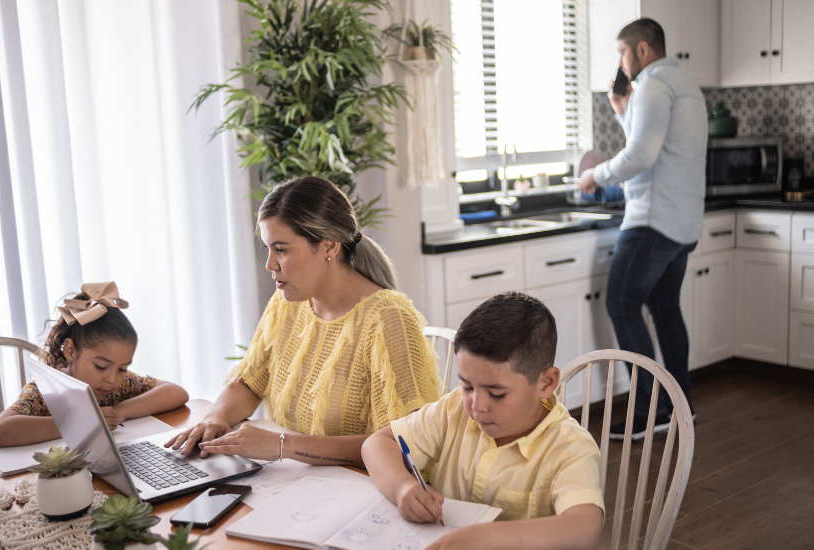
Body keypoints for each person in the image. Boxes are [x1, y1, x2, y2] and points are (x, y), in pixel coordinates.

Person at [165, 176, 443, 468]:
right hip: (295, 480)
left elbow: (401, 444)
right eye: (268, 249)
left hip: (362, 490)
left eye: (281, 249)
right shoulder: (288, 303)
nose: (270, 264)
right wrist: (215, 418)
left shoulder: (388, 319)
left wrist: (282, 446)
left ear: (328, 247)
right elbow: (250, 382)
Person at [362, 292, 604, 550]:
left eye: (497, 394)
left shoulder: (569, 447)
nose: (476, 406)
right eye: (467, 386)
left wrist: (486, 537)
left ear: (546, 383)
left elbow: (585, 528)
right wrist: (402, 488)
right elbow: (378, 442)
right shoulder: (454, 408)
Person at [578, 18, 705, 440]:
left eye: (622, 53)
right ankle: (680, 405)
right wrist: (621, 114)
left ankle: (652, 411)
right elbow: (655, 145)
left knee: (622, 305)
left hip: (651, 221)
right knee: (666, 307)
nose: (621, 62)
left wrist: (594, 175)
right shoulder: (684, 84)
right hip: (683, 224)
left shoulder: (651, 84)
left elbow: (639, 157)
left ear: (643, 50)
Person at [0, 282, 189, 447]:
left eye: (122, 368)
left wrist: (121, 411)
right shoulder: (46, 390)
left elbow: (176, 392)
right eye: (101, 366)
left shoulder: (120, 386)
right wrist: (80, 422)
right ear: (70, 351)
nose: (112, 379)